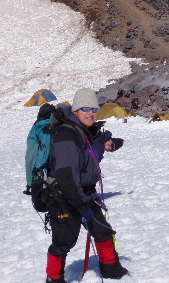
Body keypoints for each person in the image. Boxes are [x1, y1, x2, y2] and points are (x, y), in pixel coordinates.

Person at [45, 88, 128, 283]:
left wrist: (111, 143)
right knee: (64, 241)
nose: (90, 113)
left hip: (84, 194)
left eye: (93, 108)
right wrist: (82, 205)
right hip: (64, 197)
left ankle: (111, 270)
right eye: (85, 108)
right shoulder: (66, 135)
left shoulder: (85, 132)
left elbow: (94, 148)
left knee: (103, 231)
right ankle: (54, 278)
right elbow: (67, 176)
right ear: (75, 111)